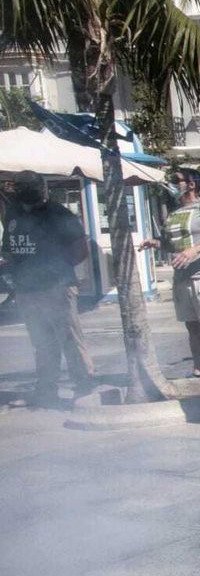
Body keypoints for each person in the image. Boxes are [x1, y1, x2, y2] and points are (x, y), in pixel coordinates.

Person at [1, 172, 94, 404]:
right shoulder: (13, 215)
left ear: (41, 188)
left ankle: (83, 387)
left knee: (70, 339)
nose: (20, 190)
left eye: (27, 186)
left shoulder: (58, 214)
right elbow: (9, 248)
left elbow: (82, 249)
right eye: (18, 186)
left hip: (57, 287)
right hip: (26, 289)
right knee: (41, 341)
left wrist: (55, 269)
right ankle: (46, 390)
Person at [140, 168, 200, 380]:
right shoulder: (173, 214)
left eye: (177, 180)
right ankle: (198, 369)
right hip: (182, 278)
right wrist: (155, 243)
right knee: (193, 326)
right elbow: (172, 245)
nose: (173, 184)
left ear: (191, 184)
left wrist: (196, 249)